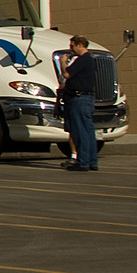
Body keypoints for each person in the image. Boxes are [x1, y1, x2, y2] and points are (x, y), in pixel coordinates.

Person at [59, 35, 98, 171]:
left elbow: (67, 74)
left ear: (80, 45)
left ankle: (83, 162)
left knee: (80, 131)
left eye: (72, 46)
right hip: (86, 99)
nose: (71, 49)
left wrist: (63, 62)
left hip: (79, 99)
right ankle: (92, 161)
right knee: (88, 131)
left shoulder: (83, 59)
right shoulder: (90, 60)